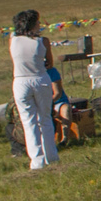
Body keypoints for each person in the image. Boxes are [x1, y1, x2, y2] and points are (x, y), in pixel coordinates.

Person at [10, 10, 59, 170]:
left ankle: (37, 161)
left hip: (20, 82)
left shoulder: (13, 39)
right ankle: (51, 156)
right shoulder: (43, 41)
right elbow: (49, 63)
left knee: (28, 122)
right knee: (45, 119)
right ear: (32, 24)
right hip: (40, 79)